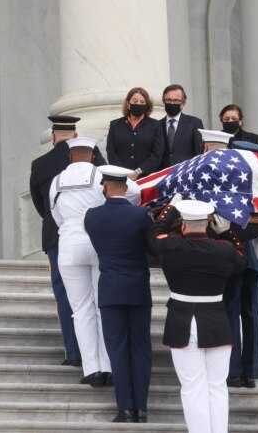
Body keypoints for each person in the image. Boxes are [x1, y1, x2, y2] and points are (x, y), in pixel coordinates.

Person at [148, 198, 246, 433]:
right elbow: (242, 260)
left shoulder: (171, 245)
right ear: (208, 223)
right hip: (216, 321)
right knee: (217, 386)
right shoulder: (224, 249)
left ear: (183, 225)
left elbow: (154, 234)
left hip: (182, 320)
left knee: (192, 386)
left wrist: (171, 208)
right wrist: (228, 233)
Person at [29, 115, 107, 367]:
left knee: (66, 296)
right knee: (97, 297)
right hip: (95, 235)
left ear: (53, 136)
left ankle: (74, 353)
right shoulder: (95, 159)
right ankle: (100, 357)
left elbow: (42, 206)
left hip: (57, 236)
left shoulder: (40, 164)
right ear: (75, 136)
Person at [84, 165, 152, 423]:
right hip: (138, 289)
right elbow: (151, 249)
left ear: (104, 187)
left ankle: (124, 408)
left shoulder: (91, 216)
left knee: (117, 349)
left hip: (111, 290)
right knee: (141, 348)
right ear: (126, 187)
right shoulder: (141, 215)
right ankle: (142, 409)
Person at [49, 137, 113, 386]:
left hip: (69, 245)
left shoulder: (57, 180)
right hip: (98, 242)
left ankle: (91, 369)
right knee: (101, 307)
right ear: (93, 155)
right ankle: (107, 366)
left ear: (69, 157)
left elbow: (56, 217)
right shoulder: (102, 175)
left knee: (81, 309)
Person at [224, 139, 258, 390]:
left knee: (247, 315)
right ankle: (236, 370)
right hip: (235, 253)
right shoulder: (235, 180)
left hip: (253, 255)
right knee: (236, 313)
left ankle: (247, 371)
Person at [106, 87, 164, 180]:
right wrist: (123, 172)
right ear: (128, 104)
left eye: (142, 102)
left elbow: (157, 154)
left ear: (147, 105)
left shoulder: (155, 125)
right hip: (120, 179)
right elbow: (111, 151)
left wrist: (139, 171)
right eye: (135, 101)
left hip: (145, 178)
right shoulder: (115, 125)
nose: (138, 104)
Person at [159, 84, 204, 169]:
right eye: (168, 100)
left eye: (176, 101)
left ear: (183, 104)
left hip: (186, 175)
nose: (172, 103)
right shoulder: (157, 125)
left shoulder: (194, 123)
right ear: (163, 102)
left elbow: (199, 152)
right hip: (163, 176)